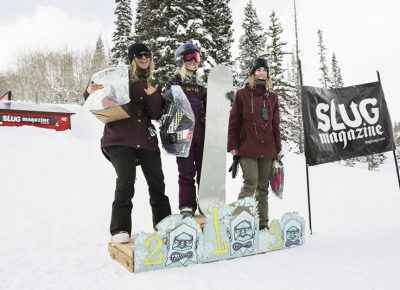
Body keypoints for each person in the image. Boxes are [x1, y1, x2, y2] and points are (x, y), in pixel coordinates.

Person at [84, 43, 171, 243]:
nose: (144, 58)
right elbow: (98, 97)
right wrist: (89, 91)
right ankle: (120, 229)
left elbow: (157, 114)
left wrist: (152, 97)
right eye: (139, 55)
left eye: (147, 55)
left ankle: (164, 224)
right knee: (126, 181)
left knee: (157, 182)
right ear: (132, 58)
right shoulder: (119, 78)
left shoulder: (152, 82)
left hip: (146, 139)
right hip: (120, 138)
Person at [227, 57, 281, 230]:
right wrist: (233, 145)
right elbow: (234, 121)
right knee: (251, 182)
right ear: (252, 73)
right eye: (258, 70)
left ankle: (262, 223)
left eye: (264, 70)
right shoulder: (242, 94)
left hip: (268, 148)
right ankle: (238, 222)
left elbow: (275, 124)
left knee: (263, 188)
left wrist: (277, 148)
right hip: (247, 147)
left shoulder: (272, 97)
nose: (262, 73)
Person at [162, 43, 206, 218]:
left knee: (205, 171)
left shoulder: (201, 84)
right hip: (184, 135)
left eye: (195, 57)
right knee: (186, 172)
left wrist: (225, 97)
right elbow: (166, 102)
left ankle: (206, 203)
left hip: (202, 134)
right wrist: (166, 96)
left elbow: (212, 104)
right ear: (180, 60)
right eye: (188, 57)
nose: (193, 61)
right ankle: (187, 205)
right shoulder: (174, 81)